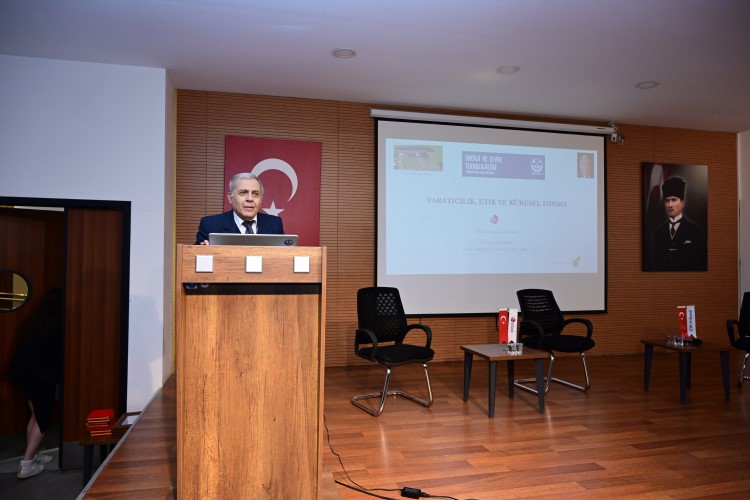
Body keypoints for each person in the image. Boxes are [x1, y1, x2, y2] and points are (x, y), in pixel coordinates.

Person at [6, 287, 63, 479]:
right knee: (42, 419)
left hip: (23, 375)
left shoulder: (34, 321)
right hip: (41, 377)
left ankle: (33, 453)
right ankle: (27, 463)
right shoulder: (56, 324)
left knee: (35, 415)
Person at [195, 172, 284, 245]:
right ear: (230, 198)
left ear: (261, 199)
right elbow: (196, 257)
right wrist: (204, 252)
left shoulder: (274, 224)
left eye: (255, 194)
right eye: (243, 193)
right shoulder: (210, 225)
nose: (250, 199)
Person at [650, 176, 707, 271]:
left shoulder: (696, 231)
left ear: (682, 203)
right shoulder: (658, 233)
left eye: (674, 200)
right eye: (667, 200)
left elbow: (702, 264)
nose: (670, 205)